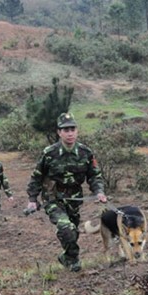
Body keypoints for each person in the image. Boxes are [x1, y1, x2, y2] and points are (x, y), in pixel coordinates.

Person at [26, 113, 107, 272]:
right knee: (66, 228)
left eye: (72, 129)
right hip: (53, 198)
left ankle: (66, 257)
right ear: (59, 132)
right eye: (65, 130)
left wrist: (99, 191)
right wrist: (32, 199)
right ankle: (74, 259)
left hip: (74, 199)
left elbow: (94, 175)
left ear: (77, 131)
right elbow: (37, 176)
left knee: (73, 232)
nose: (70, 133)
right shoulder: (49, 153)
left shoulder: (85, 152)